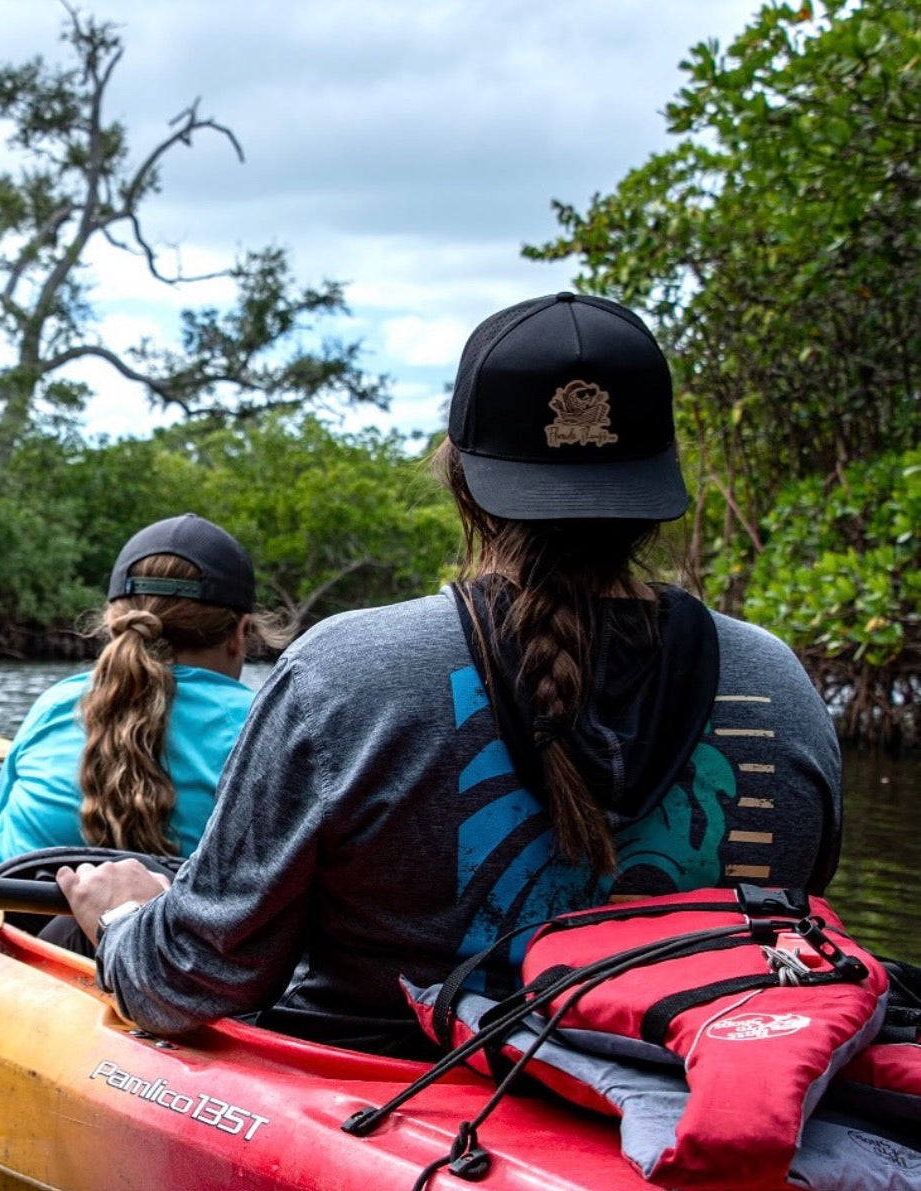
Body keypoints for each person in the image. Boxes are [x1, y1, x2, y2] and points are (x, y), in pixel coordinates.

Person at [57, 293, 841, 1056]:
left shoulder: (346, 672)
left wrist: (125, 921)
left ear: (461, 480)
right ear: (660, 484)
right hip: (691, 1107)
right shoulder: (781, 684)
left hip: (391, 1114)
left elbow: (185, 981)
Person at [0, 514, 279, 874]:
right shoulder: (269, 723)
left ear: (114, 620)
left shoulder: (60, 702)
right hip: (169, 944)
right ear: (240, 634)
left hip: (9, 922)